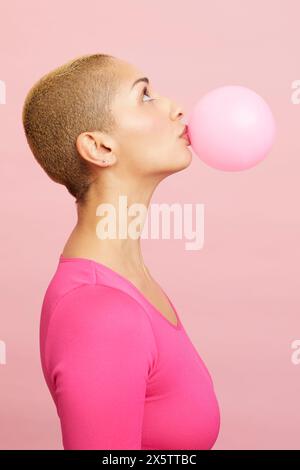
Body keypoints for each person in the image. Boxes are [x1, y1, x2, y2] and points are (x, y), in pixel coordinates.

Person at [22, 53, 220, 450]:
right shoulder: (99, 312)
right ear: (99, 147)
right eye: (144, 96)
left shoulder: (132, 284)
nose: (175, 107)